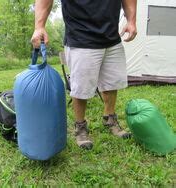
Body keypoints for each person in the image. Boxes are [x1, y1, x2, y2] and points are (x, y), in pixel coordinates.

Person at [31, 0, 137, 150]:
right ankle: (80, 127)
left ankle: (110, 119)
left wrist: (131, 21)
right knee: (81, 88)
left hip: (112, 37)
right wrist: (39, 26)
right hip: (81, 37)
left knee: (112, 83)